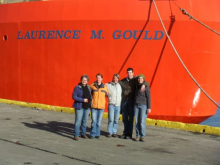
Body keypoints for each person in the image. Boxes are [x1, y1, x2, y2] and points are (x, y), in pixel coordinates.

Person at [120, 68, 148, 139]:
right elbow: (117, 82)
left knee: (131, 118)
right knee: (125, 118)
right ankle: (125, 132)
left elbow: (145, 82)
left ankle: (129, 134)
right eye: (128, 72)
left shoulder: (135, 80)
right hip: (124, 100)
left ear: (133, 73)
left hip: (132, 101)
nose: (129, 74)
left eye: (130, 73)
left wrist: (144, 84)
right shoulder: (123, 80)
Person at [72, 74, 92, 141]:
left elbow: (90, 96)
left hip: (87, 107)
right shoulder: (77, 87)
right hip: (79, 107)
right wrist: (83, 100)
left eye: (85, 80)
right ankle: (76, 135)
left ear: (87, 81)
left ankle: (83, 133)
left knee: (84, 121)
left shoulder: (88, 87)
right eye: (83, 80)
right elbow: (74, 97)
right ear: (81, 80)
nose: (84, 81)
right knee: (78, 121)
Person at [89, 73, 109, 139]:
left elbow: (108, 94)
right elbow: (88, 92)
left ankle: (97, 134)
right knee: (94, 121)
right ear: (96, 78)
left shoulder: (104, 87)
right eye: (97, 78)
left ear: (102, 79)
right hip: (94, 106)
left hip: (101, 107)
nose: (98, 79)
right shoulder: (92, 86)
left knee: (99, 121)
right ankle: (92, 134)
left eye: (100, 78)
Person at [134, 74, 151, 142]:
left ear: (143, 79)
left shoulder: (146, 87)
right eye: (139, 78)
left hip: (143, 105)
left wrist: (149, 107)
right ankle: (138, 136)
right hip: (136, 105)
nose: (140, 79)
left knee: (142, 122)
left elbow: (148, 97)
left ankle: (142, 136)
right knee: (137, 121)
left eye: (141, 78)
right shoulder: (136, 86)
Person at [106, 74, 122, 138]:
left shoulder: (120, 86)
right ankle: (110, 132)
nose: (115, 79)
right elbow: (104, 91)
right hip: (111, 104)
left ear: (118, 79)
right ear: (113, 79)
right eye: (114, 78)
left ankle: (114, 132)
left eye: (117, 78)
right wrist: (109, 97)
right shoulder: (109, 85)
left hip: (118, 105)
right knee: (111, 119)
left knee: (116, 120)